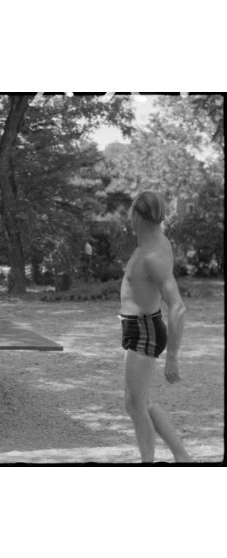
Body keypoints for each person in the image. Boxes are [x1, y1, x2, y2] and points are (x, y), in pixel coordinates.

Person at [119, 191, 190, 463]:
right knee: (139, 402)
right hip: (138, 327)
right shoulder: (158, 242)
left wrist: (172, 357)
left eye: (131, 212)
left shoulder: (152, 255)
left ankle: (147, 463)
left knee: (135, 404)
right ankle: (182, 457)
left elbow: (178, 306)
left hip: (144, 330)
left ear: (137, 216)